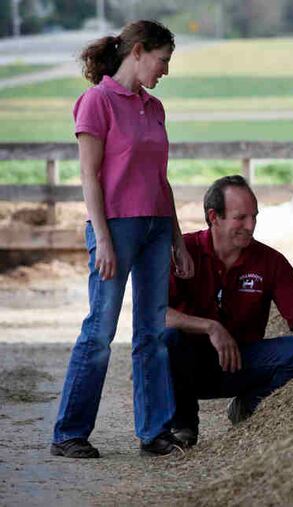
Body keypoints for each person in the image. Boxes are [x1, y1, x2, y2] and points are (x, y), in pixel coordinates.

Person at [51, 20, 194, 459]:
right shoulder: (97, 102)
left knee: (151, 333)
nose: (165, 70)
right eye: (162, 60)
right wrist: (104, 240)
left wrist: (178, 240)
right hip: (115, 227)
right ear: (138, 52)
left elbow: (161, 181)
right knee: (100, 330)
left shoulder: (155, 108)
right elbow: (89, 178)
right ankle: (69, 433)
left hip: (154, 228)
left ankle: (153, 433)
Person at [164, 175, 293, 447]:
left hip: (240, 362)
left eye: (254, 217)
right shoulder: (182, 252)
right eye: (241, 218)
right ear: (214, 217)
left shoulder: (270, 261)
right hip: (187, 363)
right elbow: (154, 314)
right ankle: (183, 425)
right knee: (167, 339)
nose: (250, 226)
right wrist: (210, 327)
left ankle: (250, 408)